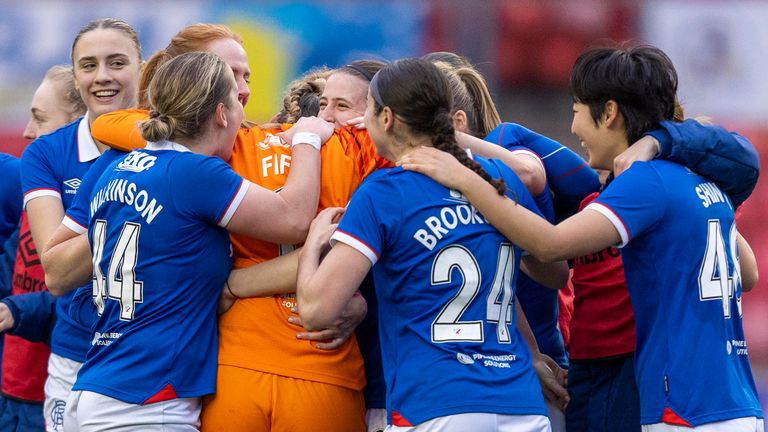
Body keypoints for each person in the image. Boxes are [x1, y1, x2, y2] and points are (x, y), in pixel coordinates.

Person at [399, 45, 763, 431]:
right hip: (732, 400)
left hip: (683, 404)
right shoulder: (701, 182)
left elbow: (550, 244)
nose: (572, 128)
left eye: (575, 111)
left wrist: (464, 177)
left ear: (608, 113)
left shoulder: (646, 183)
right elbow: (747, 272)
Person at [69, 25, 383, 432]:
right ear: (219, 111)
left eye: (246, 77)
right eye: (230, 78)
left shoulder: (143, 159)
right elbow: (296, 220)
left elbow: (107, 123)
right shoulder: (358, 151)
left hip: (141, 376)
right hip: (160, 393)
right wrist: (305, 141)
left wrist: (232, 286)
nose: (242, 92)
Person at [297, 58, 568, 432]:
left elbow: (316, 311)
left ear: (386, 118)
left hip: (433, 403)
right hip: (519, 404)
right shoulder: (498, 177)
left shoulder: (383, 191)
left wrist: (313, 243)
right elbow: (554, 273)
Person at [18, 19, 142, 431]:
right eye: (88, 65)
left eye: (117, 62)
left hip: (155, 356)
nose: (102, 76)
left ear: (142, 68)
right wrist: (140, 208)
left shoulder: (180, 142)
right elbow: (57, 273)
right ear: (76, 76)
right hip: (75, 354)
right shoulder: (48, 154)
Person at [0, 64, 86, 432]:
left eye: (39, 118)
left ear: (75, 126)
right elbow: (11, 265)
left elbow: (80, 295)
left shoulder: (86, 198)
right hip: (11, 386)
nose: (27, 131)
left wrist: (18, 310)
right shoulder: (33, 187)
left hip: (54, 388)